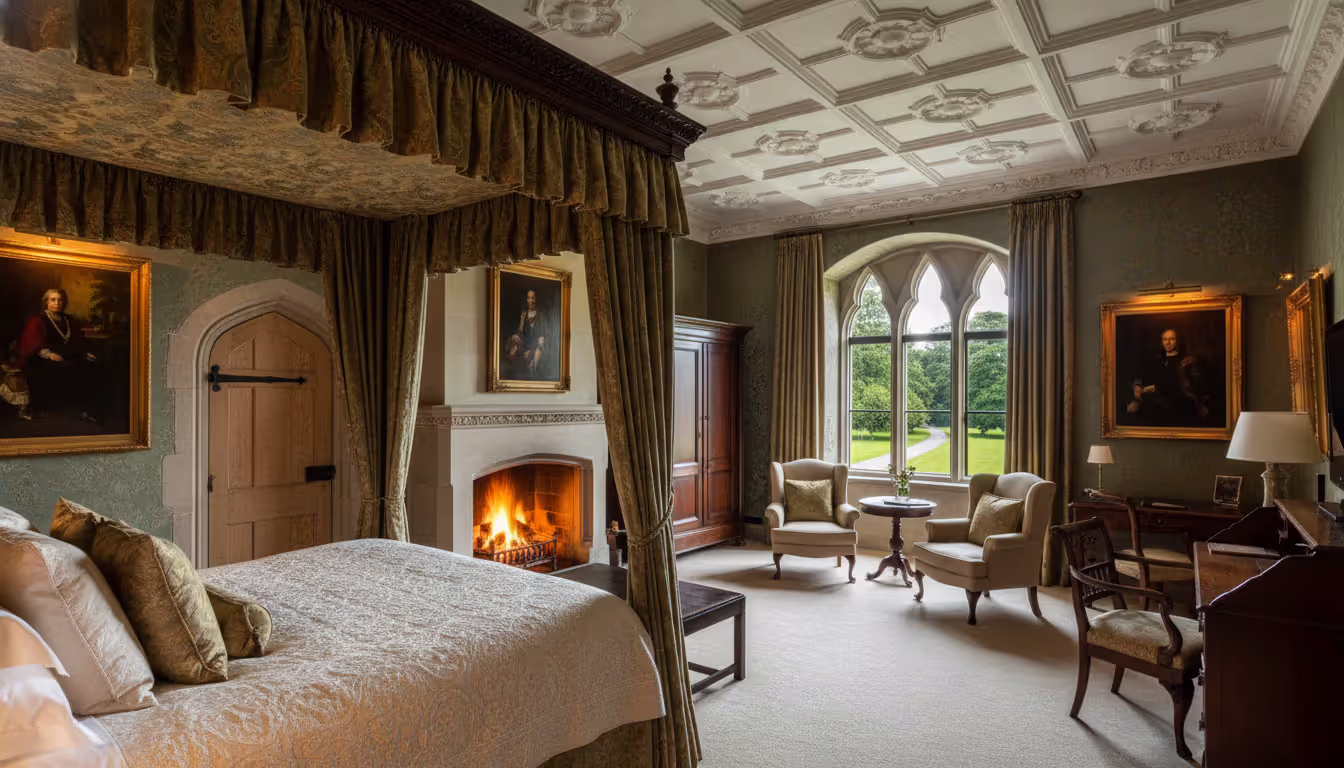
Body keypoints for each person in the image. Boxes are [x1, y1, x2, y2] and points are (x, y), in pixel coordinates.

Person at [18, 288, 100, 424]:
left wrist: (85, 353)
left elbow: (77, 340)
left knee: (89, 365)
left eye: (60, 300)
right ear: (46, 302)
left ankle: (87, 409)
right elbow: (31, 343)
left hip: (68, 354)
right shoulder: (38, 320)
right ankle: (68, 410)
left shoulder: (69, 319)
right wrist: (48, 355)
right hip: (43, 357)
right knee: (68, 368)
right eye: (53, 299)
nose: (57, 303)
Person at [1125, 328, 1210, 426]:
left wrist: (1153, 389)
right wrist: (1137, 386)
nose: (1168, 342)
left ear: (1178, 341)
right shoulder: (1156, 360)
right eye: (1165, 339)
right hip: (1152, 401)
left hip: (1177, 403)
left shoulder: (1186, 362)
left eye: (1172, 339)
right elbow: (1141, 376)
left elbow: (1182, 387)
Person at [504, 289, 552, 380]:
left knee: (534, 367)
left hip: (537, 346)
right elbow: (520, 332)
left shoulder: (541, 316)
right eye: (529, 298)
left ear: (536, 299)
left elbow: (547, 333)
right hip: (525, 346)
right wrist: (516, 336)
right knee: (513, 351)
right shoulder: (523, 315)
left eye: (532, 298)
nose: (531, 301)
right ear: (526, 300)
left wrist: (543, 338)